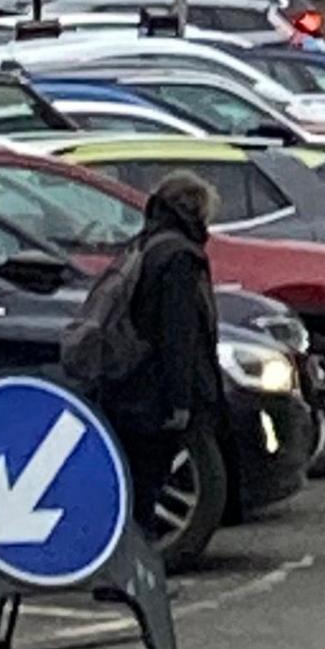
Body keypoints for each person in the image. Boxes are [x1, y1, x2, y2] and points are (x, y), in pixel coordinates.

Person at [104, 174, 222, 527]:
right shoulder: (180, 258)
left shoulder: (146, 244)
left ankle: (127, 567)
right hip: (155, 394)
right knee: (147, 486)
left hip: (130, 383)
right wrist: (180, 401)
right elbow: (178, 334)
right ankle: (134, 570)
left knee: (133, 484)